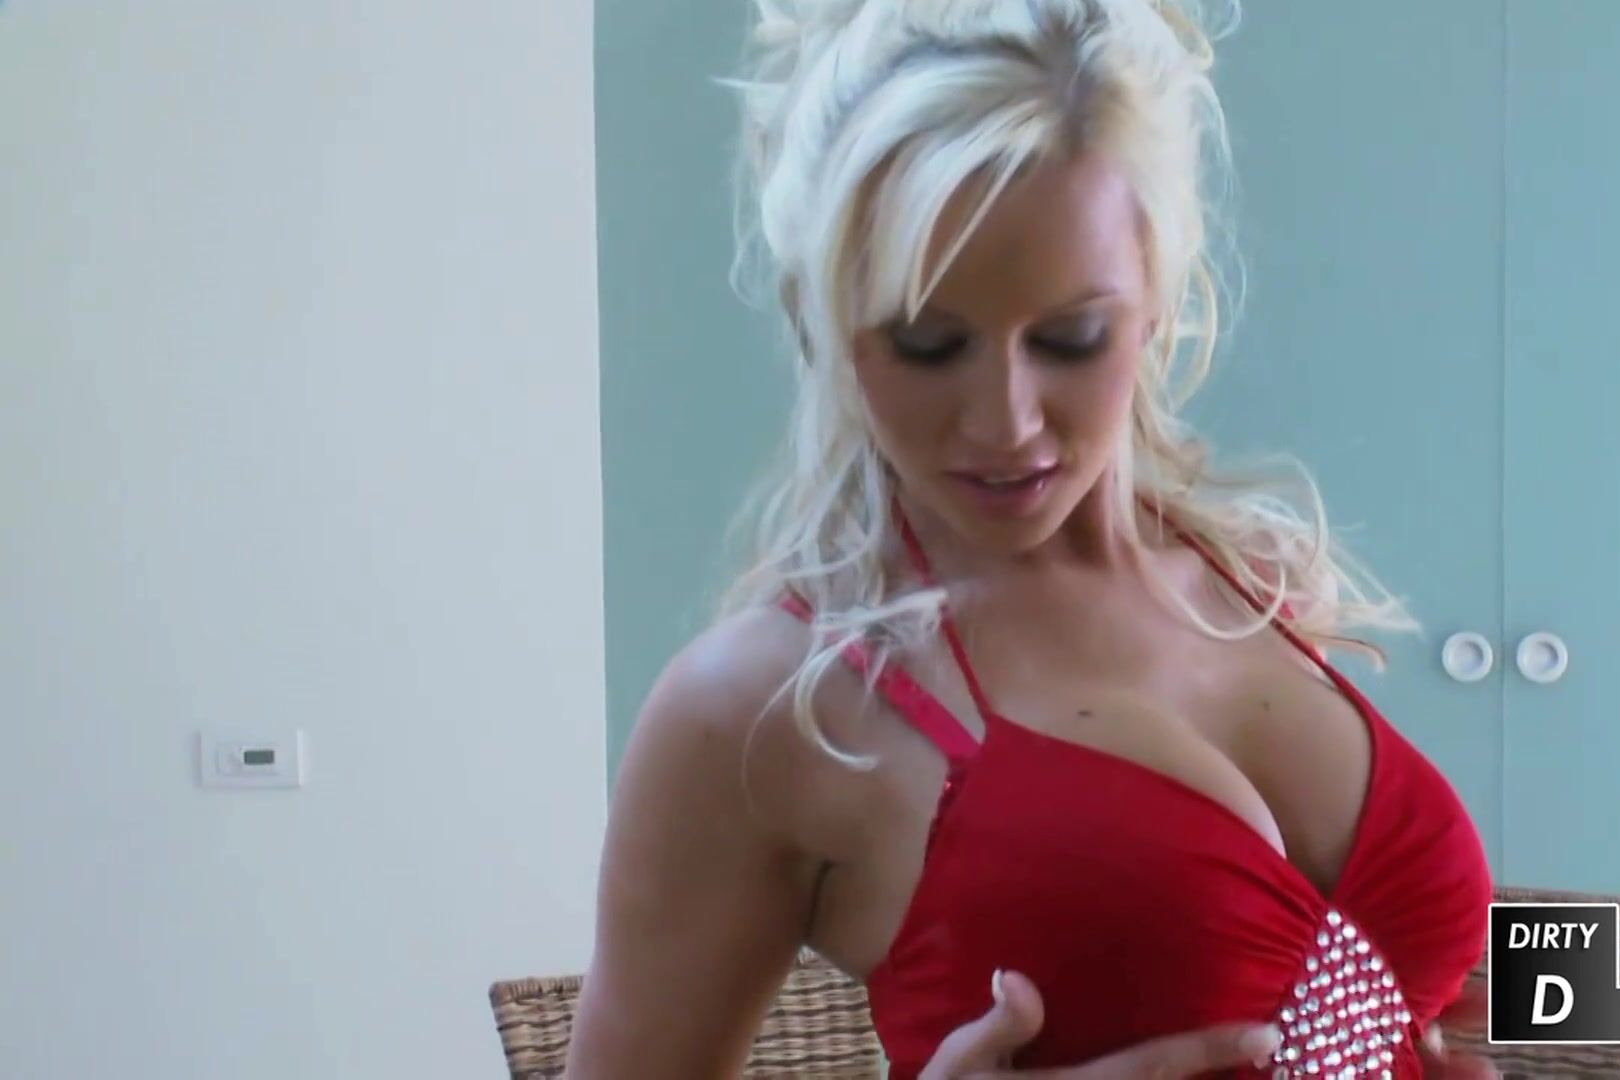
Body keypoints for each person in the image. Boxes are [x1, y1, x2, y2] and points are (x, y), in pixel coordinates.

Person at [566, 1, 1494, 1076]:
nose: (1005, 421)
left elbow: (1439, 984)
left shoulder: (1261, 583)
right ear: (820, 327)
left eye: (1069, 338)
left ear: (1155, 299)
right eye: (927, 345)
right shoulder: (767, 707)